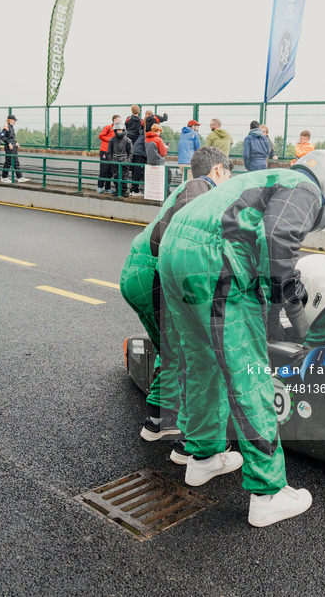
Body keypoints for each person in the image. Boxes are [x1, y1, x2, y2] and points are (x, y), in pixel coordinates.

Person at [158, 148, 325, 527]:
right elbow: (279, 239)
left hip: (173, 251)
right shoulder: (305, 187)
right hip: (214, 261)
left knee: (201, 362)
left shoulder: (263, 179)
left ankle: (203, 457)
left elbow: (259, 239)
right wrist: (292, 311)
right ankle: (268, 493)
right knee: (249, 375)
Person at [120, 147, 233, 443]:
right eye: (229, 173)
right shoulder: (201, 188)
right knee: (188, 352)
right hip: (155, 274)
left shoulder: (187, 187)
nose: (230, 180)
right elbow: (165, 238)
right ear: (218, 170)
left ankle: (158, 422)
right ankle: (189, 437)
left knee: (170, 353)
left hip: (139, 272)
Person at [0, 114, 29, 184]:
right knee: (10, 162)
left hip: (13, 147)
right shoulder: (6, 127)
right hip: (9, 148)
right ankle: (10, 177)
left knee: (12, 162)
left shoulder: (11, 128)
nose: (15, 122)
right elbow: (2, 137)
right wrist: (9, 143)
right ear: (11, 120)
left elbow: (12, 138)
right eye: (15, 120)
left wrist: (16, 142)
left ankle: (7, 177)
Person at [107, 122, 133, 196]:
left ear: (123, 130)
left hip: (124, 160)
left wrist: (128, 161)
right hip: (115, 160)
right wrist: (111, 160)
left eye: (120, 130)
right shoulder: (111, 140)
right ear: (115, 131)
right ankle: (117, 190)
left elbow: (131, 153)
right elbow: (109, 152)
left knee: (124, 177)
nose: (119, 132)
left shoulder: (128, 140)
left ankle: (123, 191)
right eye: (117, 130)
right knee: (115, 176)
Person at [97, 114, 120, 194]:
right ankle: (99, 186)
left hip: (113, 152)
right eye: (118, 119)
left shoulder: (118, 129)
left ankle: (107, 187)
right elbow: (101, 136)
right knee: (104, 169)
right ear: (114, 120)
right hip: (104, 151)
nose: (120, 121)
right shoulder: (108, 127)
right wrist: (110, 139)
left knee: (110, 170)